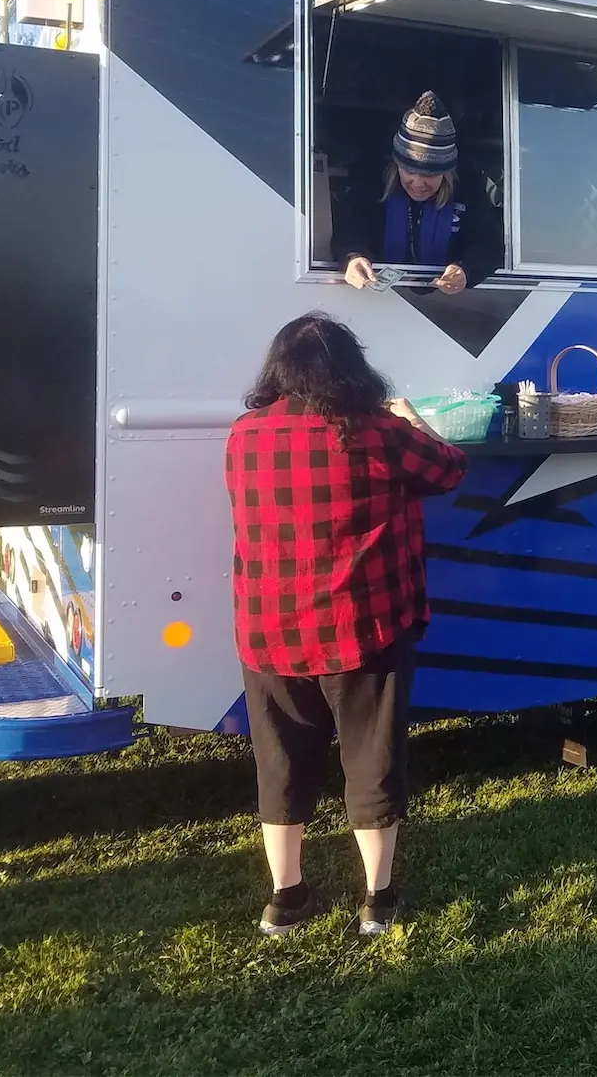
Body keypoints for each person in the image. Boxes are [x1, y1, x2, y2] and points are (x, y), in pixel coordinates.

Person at [225, 312, 469, 937]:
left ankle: (286, 897)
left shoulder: (245, 433)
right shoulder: (382, 431)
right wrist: (416, 420)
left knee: (280, 760)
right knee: (372, 758)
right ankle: (377, 901)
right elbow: (448, 470)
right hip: (365, 625)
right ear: (352, 369)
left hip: (270, 627)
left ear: (279, 370)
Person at [334, 92, 500, 295]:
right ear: (396, 165)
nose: (418, 183)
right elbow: (347, 230)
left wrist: (466, 269)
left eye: (430, 175)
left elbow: (490, 244)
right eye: (409, 171)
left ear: (446, 173)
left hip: (447, 307)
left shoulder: (468, 188)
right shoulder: (371, 182)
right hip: (377, 300)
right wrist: (353, 257)